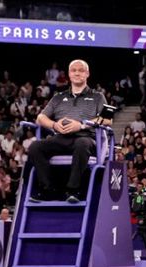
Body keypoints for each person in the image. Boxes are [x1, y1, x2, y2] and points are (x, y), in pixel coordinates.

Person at [28, 59, 110, 203]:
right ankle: (48, 189)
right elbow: (40, 117)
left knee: (82, 144)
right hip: (61, 137)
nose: (77, 73)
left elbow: (108, 120)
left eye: (81, 70)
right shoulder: (58, 96)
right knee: (35, 147)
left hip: (85, 137)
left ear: (87, 74)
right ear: (69, 74)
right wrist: (54, 125)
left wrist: (81, 125)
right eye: (74, 70)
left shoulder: (98, 96)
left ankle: (73, 191)